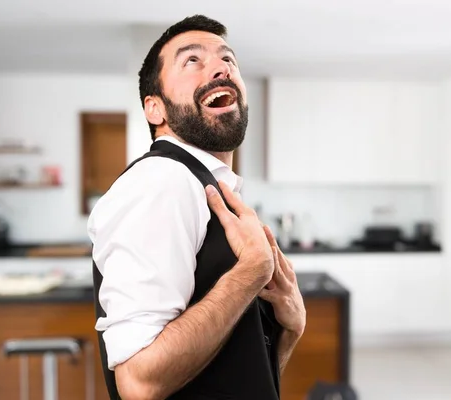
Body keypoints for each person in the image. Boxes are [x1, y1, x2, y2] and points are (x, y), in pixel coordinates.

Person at [88, 15, 306, 400]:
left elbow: (238, 376)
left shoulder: (210, 188)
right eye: (192, 60)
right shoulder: (162, 181)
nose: (221, 67)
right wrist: (251, 272)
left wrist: (289, 331)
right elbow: (139, 382)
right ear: (155, 109)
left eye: (228, 59)